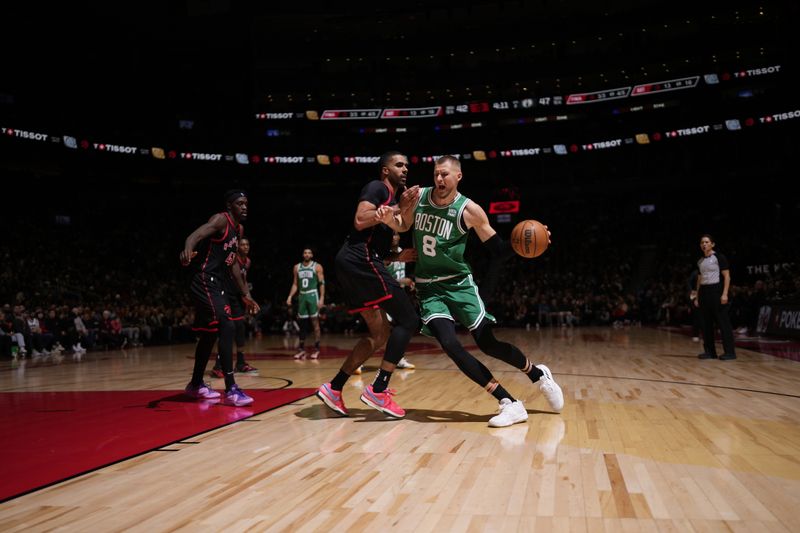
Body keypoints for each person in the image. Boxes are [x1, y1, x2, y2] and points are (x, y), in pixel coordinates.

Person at [411, 155, 564, 427]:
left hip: (458, 283)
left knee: (488, 344)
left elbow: (498, 251)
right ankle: (509, 402)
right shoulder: (419, 197)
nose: (439, 179)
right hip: (428, 287)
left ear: (458, 176)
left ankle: (537, 374)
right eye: (436, 173)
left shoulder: (469, 210)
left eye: (445, 174)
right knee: (450, 345)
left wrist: (528, 243)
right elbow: (400, 223)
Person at [316, 151, 420, 418]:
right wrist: (398, 208)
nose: (405, 169)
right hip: (358, 259)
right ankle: (378, 389)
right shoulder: (378, 188)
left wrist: (398, 256)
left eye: (407, 165)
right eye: (399, 164)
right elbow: (361, 220)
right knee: (408, 319)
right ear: (385, 170)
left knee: (379, 335)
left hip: (355, 262)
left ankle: (334, 387)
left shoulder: (392, 200)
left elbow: (377, 245)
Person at [180, 189, 260, 406]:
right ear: (229, 206)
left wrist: (246, 295)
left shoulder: (239, 230)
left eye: (246, 203)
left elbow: (233, 264)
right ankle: (232, 389)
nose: (245, 207)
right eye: (240, 203)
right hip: (204, 279)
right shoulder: (220, 220)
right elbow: (194, 236)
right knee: (227, 326)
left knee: (209, 334)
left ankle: (195, 385)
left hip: (217, 283)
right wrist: (187, 250)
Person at [353, 233, 417, 375]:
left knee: (400, 327)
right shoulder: (383, 253)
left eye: (396, 234)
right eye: (391, 234)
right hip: (381, 296)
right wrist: (402, 281)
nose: (394, 237)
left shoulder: (402, 252)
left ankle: (398, 358)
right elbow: (381, 278)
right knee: (381, 333)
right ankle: (358, 361)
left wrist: (409, 283)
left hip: (395, 295)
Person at [210, 237, 258, 378]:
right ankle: (218, 366)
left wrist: (249, 298)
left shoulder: (247, 262)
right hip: (225, 295)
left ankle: (241, 363)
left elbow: (243, 281)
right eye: (242, 244)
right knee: (227, 329)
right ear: (237, 247)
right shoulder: (232, 258)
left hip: (237, 297)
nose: (245, 246)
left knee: (240, 328)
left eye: (247, 244)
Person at [694, 234, 737, 360]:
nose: (704, 244)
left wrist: (724, 294)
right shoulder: (700, 261)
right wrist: (697, 296)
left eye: (707, 242)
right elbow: (699, 279)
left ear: (712, 244)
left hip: (716, 291)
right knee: (706, 324)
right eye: (702, 242)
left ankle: (730, 352)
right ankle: (710, 352)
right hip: (704, 292)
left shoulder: (719, 257)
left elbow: (727, 276)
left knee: (723, 323)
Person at [286, 248, 325, 359]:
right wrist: (290, 296)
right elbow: (295, 284)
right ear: (303, 255)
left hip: (313, 295)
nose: (307, 254)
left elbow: (322, 283)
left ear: (312, 255)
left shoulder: (317, 266)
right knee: (302, 324)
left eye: (309, 253)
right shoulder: (297, 267)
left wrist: (321, 298)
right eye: (305, 253)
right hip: (302, 295)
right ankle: (301, 349)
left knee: (315, 323)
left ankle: (317, 348)